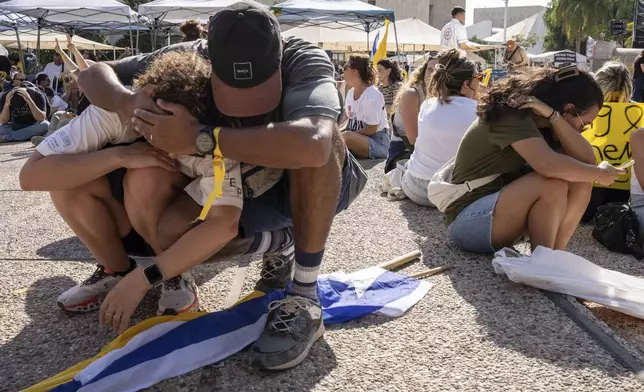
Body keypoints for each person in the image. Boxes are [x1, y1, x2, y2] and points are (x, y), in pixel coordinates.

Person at [74, 4, 365, 371]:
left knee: (320, 145)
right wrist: (128, 101)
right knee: (170, 239)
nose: (246, 111)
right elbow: (92, 75)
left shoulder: (303, 56)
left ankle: (305, 294)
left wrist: (201, 138)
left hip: (303, 188)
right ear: (209, 59)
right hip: (233, 189)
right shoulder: (188, 54)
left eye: (259, 92)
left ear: (278, 58)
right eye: (234, 93)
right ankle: (281, 244)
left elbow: (316, 143)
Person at [20, 50, 294, 326]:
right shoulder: (114, 113)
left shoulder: (210, 138)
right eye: (156, 127)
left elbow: (223, 225)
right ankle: (115, 269)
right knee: (67, 180)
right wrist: (120, 156)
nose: (169, 143)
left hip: (175, 220)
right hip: (126, 217)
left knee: (148, 174)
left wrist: (146, 278)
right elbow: (31, 176)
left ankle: (173, 273)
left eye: (179, 134)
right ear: (146, 98)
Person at [444, 66, 624, 253]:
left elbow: (587, 161)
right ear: (569, 108)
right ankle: (543, 262)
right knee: (550, 184)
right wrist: (599, 175)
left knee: (580, 175)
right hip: (465, 221)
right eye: (584, 124)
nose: (582, 130)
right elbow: (548, 166)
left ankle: (555, 254)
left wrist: (553, 116)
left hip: (496, 215)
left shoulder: (546, 122)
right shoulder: (512, 111)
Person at [386, 50, 480, 206]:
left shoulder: (428, 104)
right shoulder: (479, 110)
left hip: (415, 188)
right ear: (466, 83)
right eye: (479, 77)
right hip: (449, 192)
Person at [582, 61, 634, 221]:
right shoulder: (635, 114)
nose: (614, 102)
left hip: (614, 187)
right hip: (603, 186)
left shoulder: (583, 110)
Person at [385, 56, 437, 173]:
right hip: (403, 153)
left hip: (426, 152)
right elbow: (414, 139)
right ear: (423, 72)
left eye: (436, 70)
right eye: (429, 69)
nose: (432, 74)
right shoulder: (412, 94)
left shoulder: (440, 95)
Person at [341, 54, 390, 159]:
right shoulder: (351, 93)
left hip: (377, 142)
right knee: (335, 136)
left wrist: (347, 135)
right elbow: (347, 121)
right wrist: (335, 132)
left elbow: (371, 129)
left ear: (354, 71)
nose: (342, 70)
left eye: (345, 67)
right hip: (360, 138)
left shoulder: (371, 94)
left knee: (346, 137)